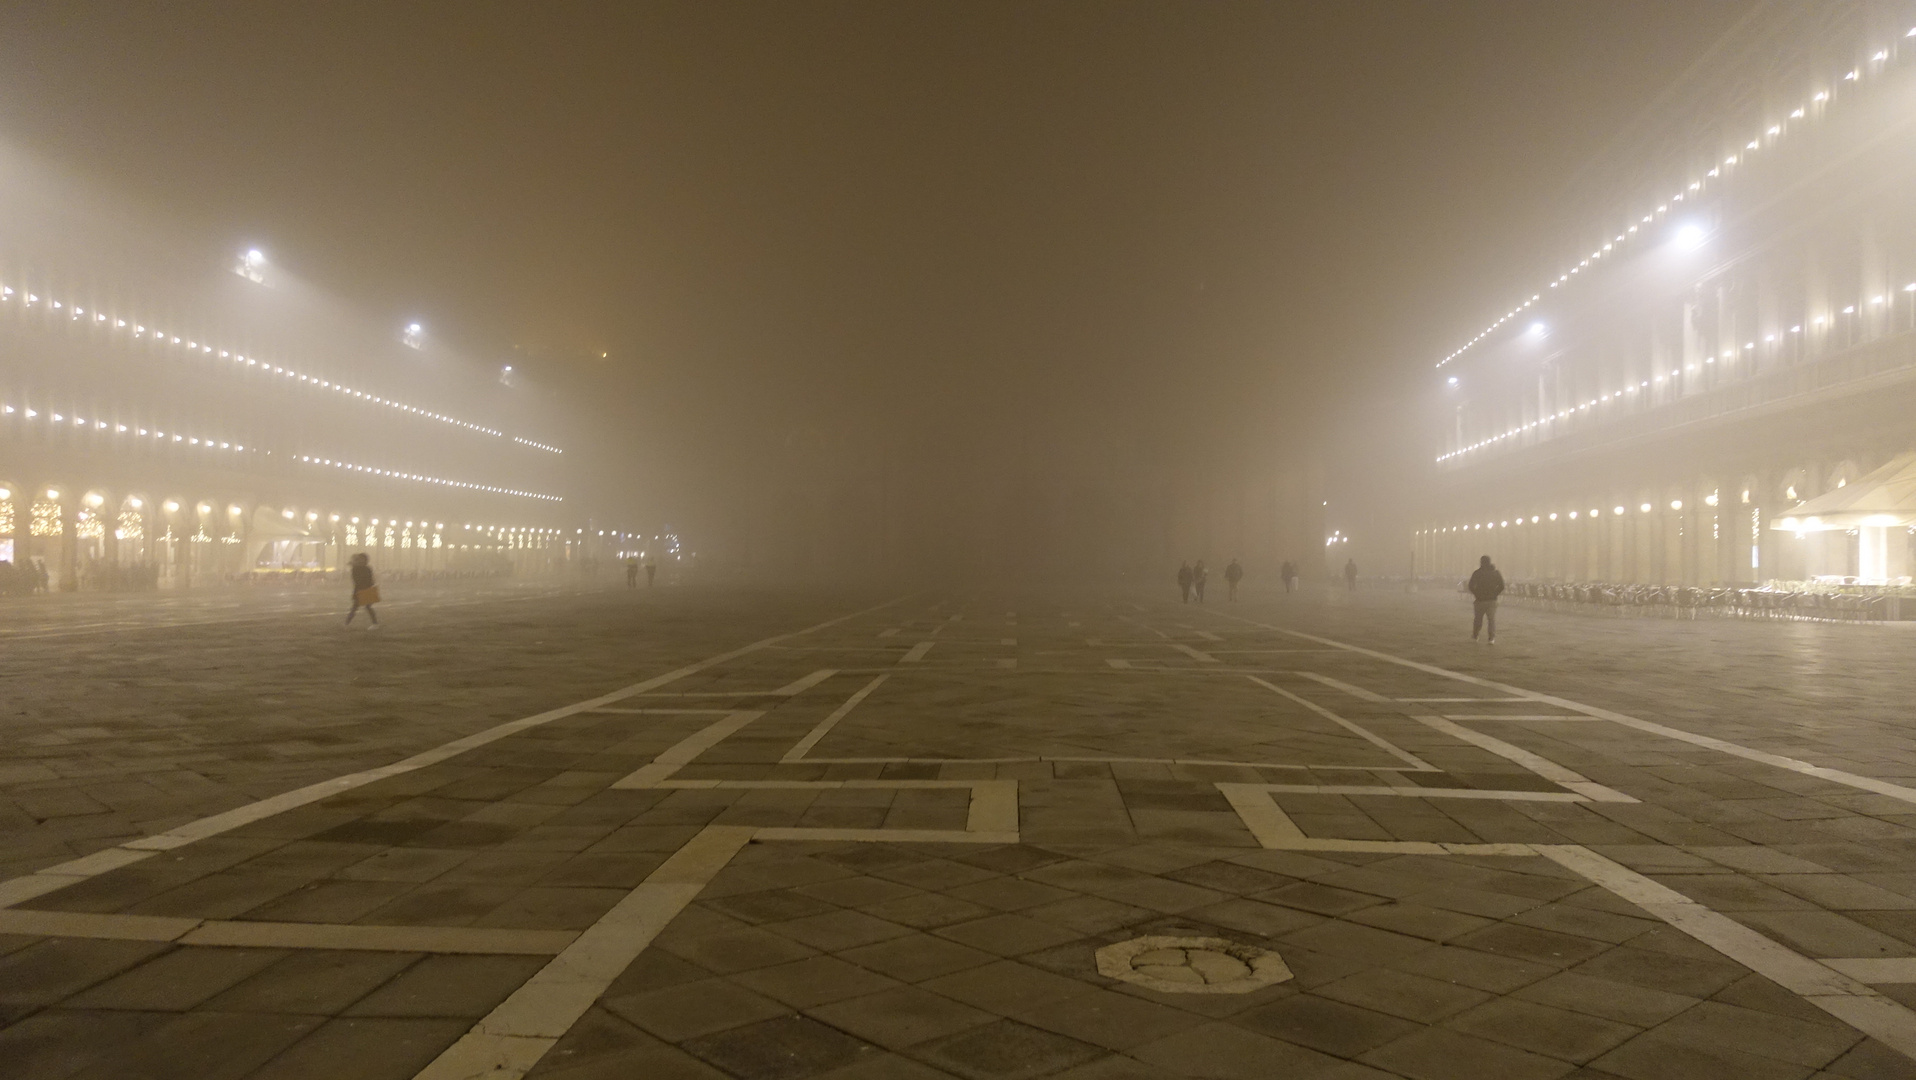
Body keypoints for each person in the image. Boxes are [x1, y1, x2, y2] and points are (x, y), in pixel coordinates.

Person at [1468, 554, 1505, 643]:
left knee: (1478, 619)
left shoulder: (1477, 573)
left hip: (1480, 600)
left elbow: (1470, 585)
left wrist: (1476, 594)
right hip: (1492, 600)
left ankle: (1475, 635)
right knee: (1491, 620)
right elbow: (1502, 585)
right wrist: (1495, 593)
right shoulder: (1496, 573)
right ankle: (1491, 638)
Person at [345, 552, 380, 629]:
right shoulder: (357, 569)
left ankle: (347, 623)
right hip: (360, 589)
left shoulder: (365, 568)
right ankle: (347, 623)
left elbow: (367, 580)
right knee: (357, 607)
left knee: (365, 607)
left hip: (365, 589)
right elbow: (357, 580)